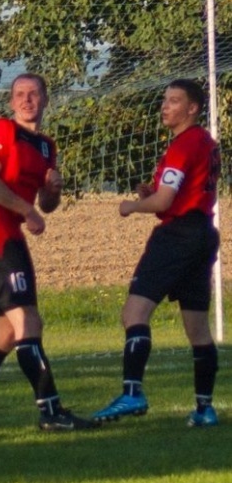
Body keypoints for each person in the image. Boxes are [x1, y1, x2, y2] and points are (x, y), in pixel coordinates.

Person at [0, 73, 95, 433]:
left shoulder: (46, 146)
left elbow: (48, 203)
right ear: (11, 102)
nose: (26, 100)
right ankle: (51, 411)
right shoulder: (1, 130)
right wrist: (27, 210)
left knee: (5, 333)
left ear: (45, 99)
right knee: (28, 322)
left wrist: (52, 191)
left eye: (33, 94)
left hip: (9, 234)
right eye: (19, 94)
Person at [93, 79, 221, 427]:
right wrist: (151, 192)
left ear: (192, 108)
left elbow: (164, 203)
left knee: (134, 313)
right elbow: (175, 192)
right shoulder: (206, 143)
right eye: (164, 100)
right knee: (197, 327)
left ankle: (132, 393)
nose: (165, 106)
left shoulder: (183, 144)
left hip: (176, 236)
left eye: (174, 101)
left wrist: (132, 206)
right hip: (202, 234)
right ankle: (204, 408)